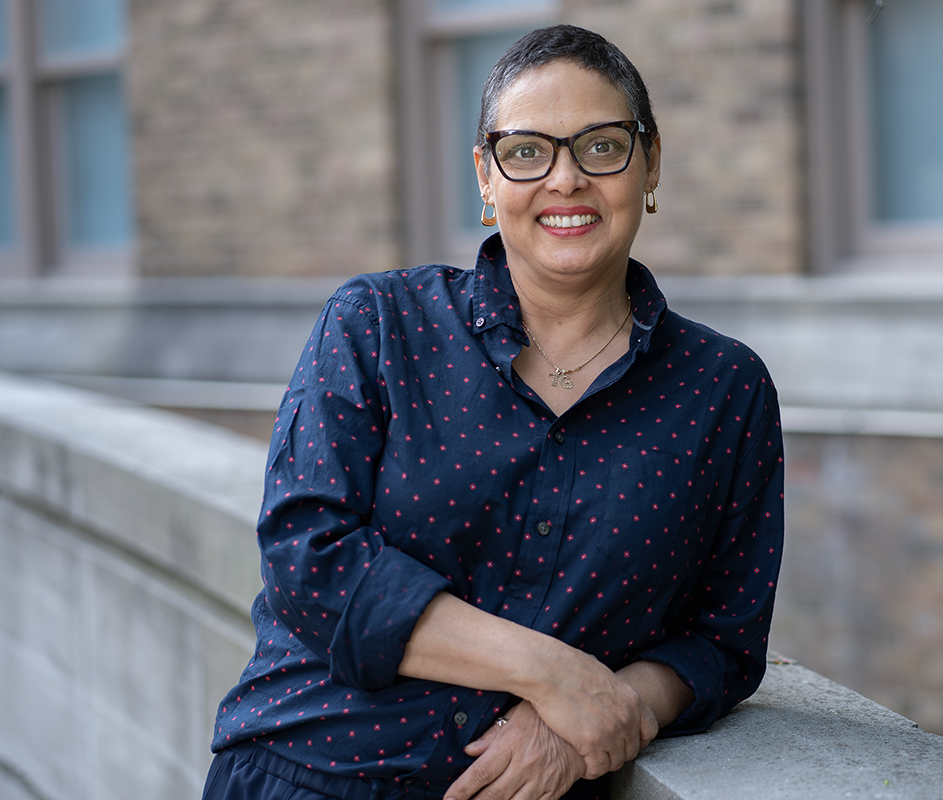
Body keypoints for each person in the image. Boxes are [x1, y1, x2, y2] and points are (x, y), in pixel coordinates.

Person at [203, 24, 783, 800]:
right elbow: (309, 559)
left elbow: (722, 642)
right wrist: (554, 675)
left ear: (650, 162)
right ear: (486, 174)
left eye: (601, 146)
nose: (566, 179)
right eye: (528, 151)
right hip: (312, 773)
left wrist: (598, 715)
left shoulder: (723, 390)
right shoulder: (378, 325)